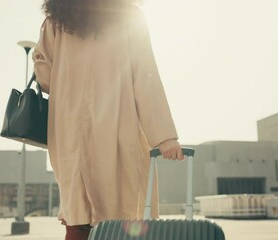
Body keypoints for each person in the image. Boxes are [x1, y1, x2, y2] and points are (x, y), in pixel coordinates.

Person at [33, 0, 183, 239]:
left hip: (70, 132)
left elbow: (44, 76)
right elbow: (145, 77)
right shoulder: (127, 17)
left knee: (78, 217)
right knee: (124, 216)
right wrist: (164, 136)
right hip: (117, 128)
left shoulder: (56, 21)